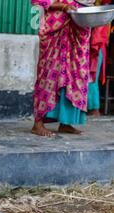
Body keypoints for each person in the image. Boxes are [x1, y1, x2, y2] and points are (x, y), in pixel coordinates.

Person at [31, 0, 91, 137]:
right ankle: (38, 123)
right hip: (55, 27)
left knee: (75, 76)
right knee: (49, 74)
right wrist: (64, 6)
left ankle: (66, 122)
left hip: (78, 26)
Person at [87, 0, 112, 116]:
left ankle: (94, 108)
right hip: (92, 47)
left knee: (91, 77)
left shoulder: (103, 12)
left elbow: (98, 37)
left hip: (96, 48)